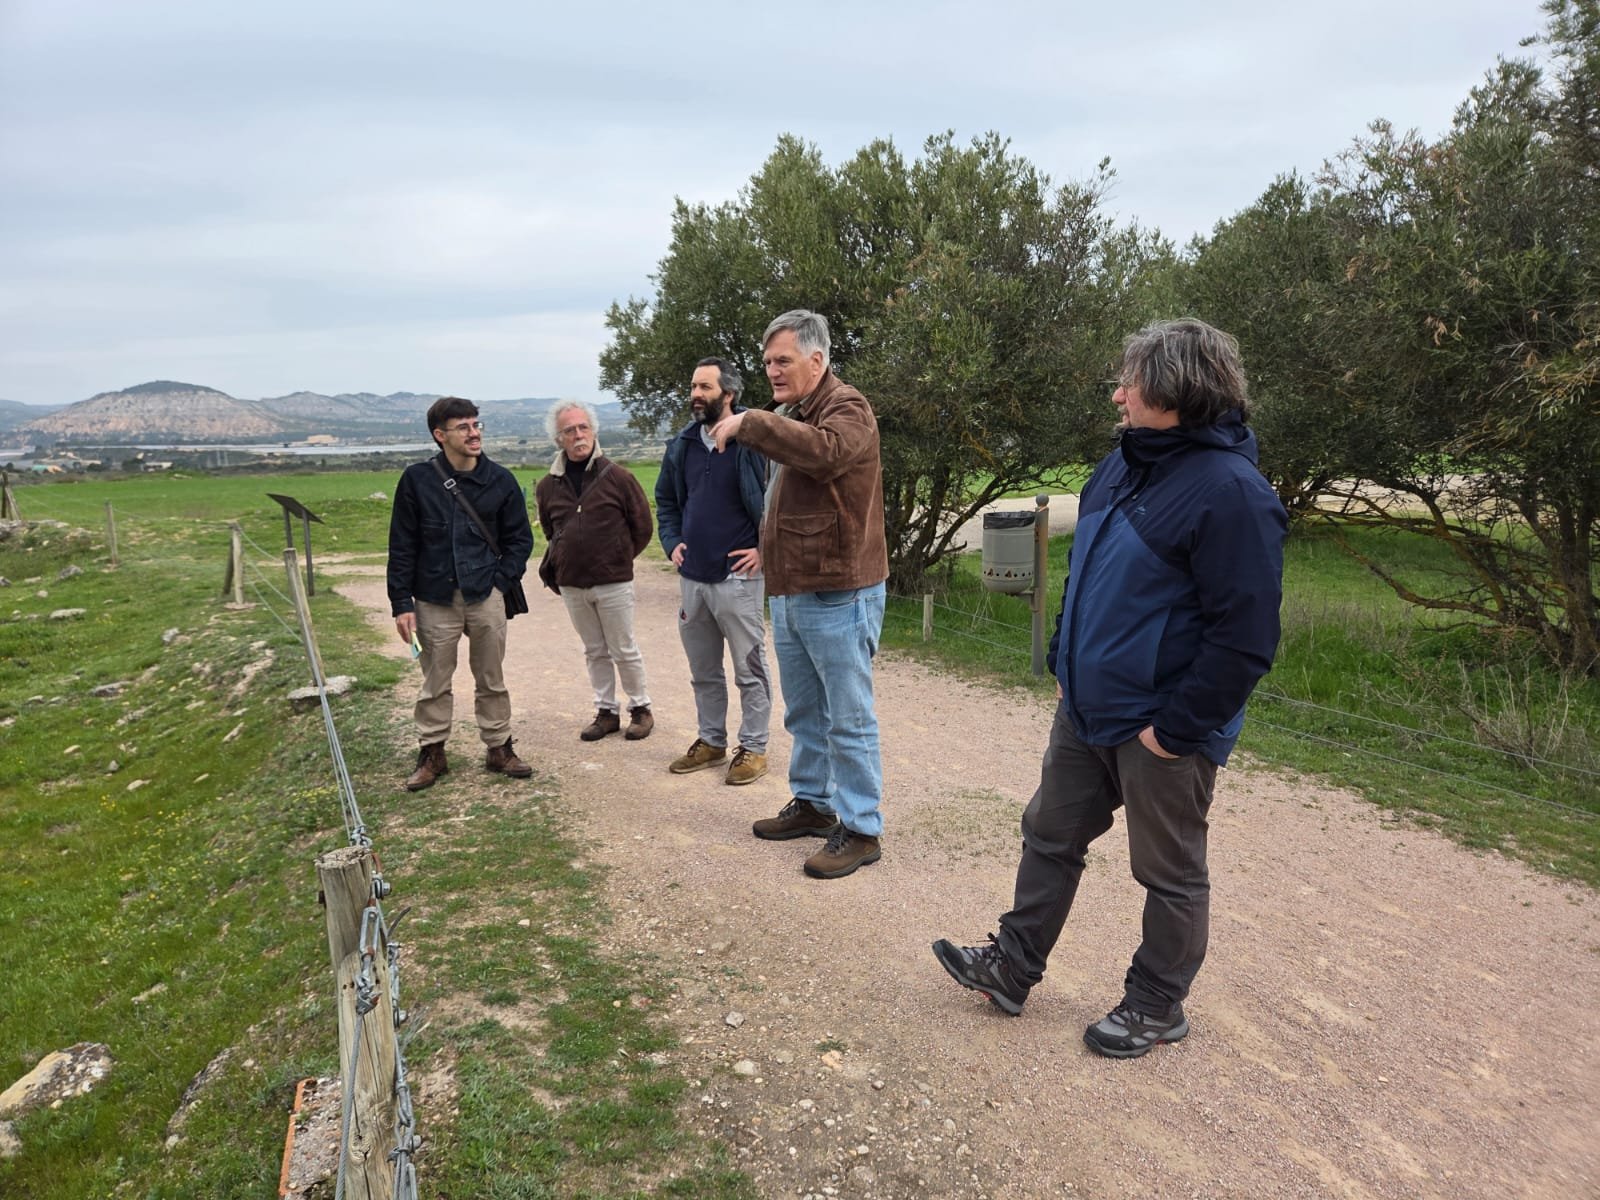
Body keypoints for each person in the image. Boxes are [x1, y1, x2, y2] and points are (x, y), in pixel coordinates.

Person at [932, 318, 1288, 1058]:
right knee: (1050, 835)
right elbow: (1086, 574)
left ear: (1177, 391)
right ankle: (1012, 965)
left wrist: (1176, 730)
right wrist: (1065, 662)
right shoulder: (1119, 465)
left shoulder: (1234, 495)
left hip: (1160, 727)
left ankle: (1157, 1004)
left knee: (1168, 872)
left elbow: (1245, 639)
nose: (1119, 394)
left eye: (1132, 382)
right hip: (1088, 708)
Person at [709, 309, 888, 880]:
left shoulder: (847, 408)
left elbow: (827, 452)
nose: (773, 370)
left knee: (848, 717)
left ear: (818, 359)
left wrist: (753, 422)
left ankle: (861, 828)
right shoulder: (793, 411)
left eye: (783, 360)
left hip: (840, 591)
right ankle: (813, 803)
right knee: (806, 711)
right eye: (767, 362)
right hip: (793, 590)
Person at [387, 396, 535, 790]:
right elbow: (402, 545)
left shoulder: (500, 480)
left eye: (476, 424)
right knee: (435, 679)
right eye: (463, 427)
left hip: (485, 594)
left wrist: (500, 583)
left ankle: (499, 747)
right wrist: (401, 603)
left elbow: (520, 541)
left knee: (492, 676)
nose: (474, 433)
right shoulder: (417, 480)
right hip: (434, 596)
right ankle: (432, 752)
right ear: (440, 435)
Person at [657, 357, 773, 786]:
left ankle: (754, 749)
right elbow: (667, 503)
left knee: (750, 668)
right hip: (693, 579)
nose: (695, 395)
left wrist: (765, 548)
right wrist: (672, 543)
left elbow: (780, 499)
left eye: (704, 387)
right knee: (703, 670)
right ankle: (711, 741)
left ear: (728, 394)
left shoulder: (754, 442)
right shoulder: (682, 445)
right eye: (693, 386)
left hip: (739, 578)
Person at [534, 401, 655, 741]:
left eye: (583, 427)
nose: (578, 435)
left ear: (593, 431)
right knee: (593, 650)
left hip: (613, 580)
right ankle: (606, 712)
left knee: (623, 647)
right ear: (559, 439)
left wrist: (618, 558)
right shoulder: (547, 486)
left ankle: (641, 709)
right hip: (572, 583)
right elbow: (549, 529)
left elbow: (642, 527)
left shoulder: (619, 477)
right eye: (569, 430)